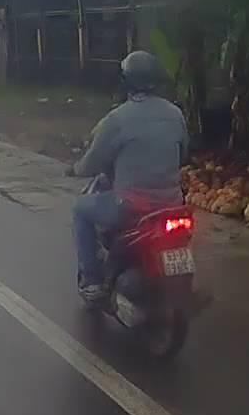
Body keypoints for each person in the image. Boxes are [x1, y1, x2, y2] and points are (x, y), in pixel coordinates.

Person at [66, 50, 190, 303]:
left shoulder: (118, 118)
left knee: (81, 210)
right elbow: (184, 152)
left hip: (132, 206)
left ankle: (92, 281)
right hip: (172, 205)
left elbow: (93, 162)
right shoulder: (175, 114)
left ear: (126, 82)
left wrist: (75, 169)